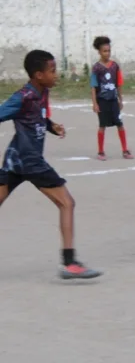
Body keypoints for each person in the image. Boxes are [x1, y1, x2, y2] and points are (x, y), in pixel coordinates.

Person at [0, 50, 103, 279]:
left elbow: (38, 116)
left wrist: (51, 126)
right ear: (38, 75)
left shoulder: (42, 92)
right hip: (30, 161)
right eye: (53, 71)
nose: (57, 75)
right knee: (67, 203)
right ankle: (69, 263)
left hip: (14, 160)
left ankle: (70, 263)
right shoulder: (23, 96)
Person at [90, 36, 133, 161]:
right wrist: (95, 103)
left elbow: (118, 84)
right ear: (99, 52)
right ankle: (101, 151)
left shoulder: (115, 66)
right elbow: (93, 86)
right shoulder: (96, 68)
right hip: (102, 101)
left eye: (108, 51)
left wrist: (120, 99)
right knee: (102, 126)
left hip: (113, 100)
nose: (107, 53)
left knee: (120, 124)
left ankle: (125, 150)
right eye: (104, 51)